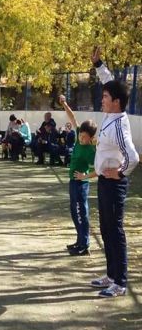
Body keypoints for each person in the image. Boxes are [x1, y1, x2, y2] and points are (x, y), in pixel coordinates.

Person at [89, 47, 139, 297]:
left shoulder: (119, 125)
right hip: (103, 182)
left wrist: (119, 173)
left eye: (105, 97)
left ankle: (120, 282)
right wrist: (99, 64)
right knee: (106, 229)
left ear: (116, 102)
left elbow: (133, 157)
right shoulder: (112, 112)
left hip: (113, 184)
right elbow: (109, 81)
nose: (102, 99)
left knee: (114, 230)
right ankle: (111, 275)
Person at [59, 97, 97, 257]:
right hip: (73, 182)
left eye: (84, 137)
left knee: (82, 213)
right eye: (80, 134)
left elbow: (99, 170)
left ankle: (84, 245)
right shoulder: (78, 136)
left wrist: (84, 176)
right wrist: (64, 104)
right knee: (74, 213)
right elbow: (73, 117)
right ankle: (79, 240)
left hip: (81, 185)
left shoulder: (90, 151)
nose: (81, 138)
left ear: (91, 138)